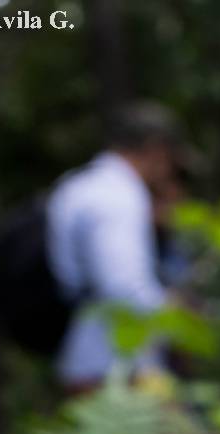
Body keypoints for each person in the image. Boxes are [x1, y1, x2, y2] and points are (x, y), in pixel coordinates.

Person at [47, 103, 188, 391]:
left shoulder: (80, 183)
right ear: (155, 149)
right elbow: (123, 287)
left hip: (87, 355)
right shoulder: (117, 196)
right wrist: (176, 316)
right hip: (114, 368)